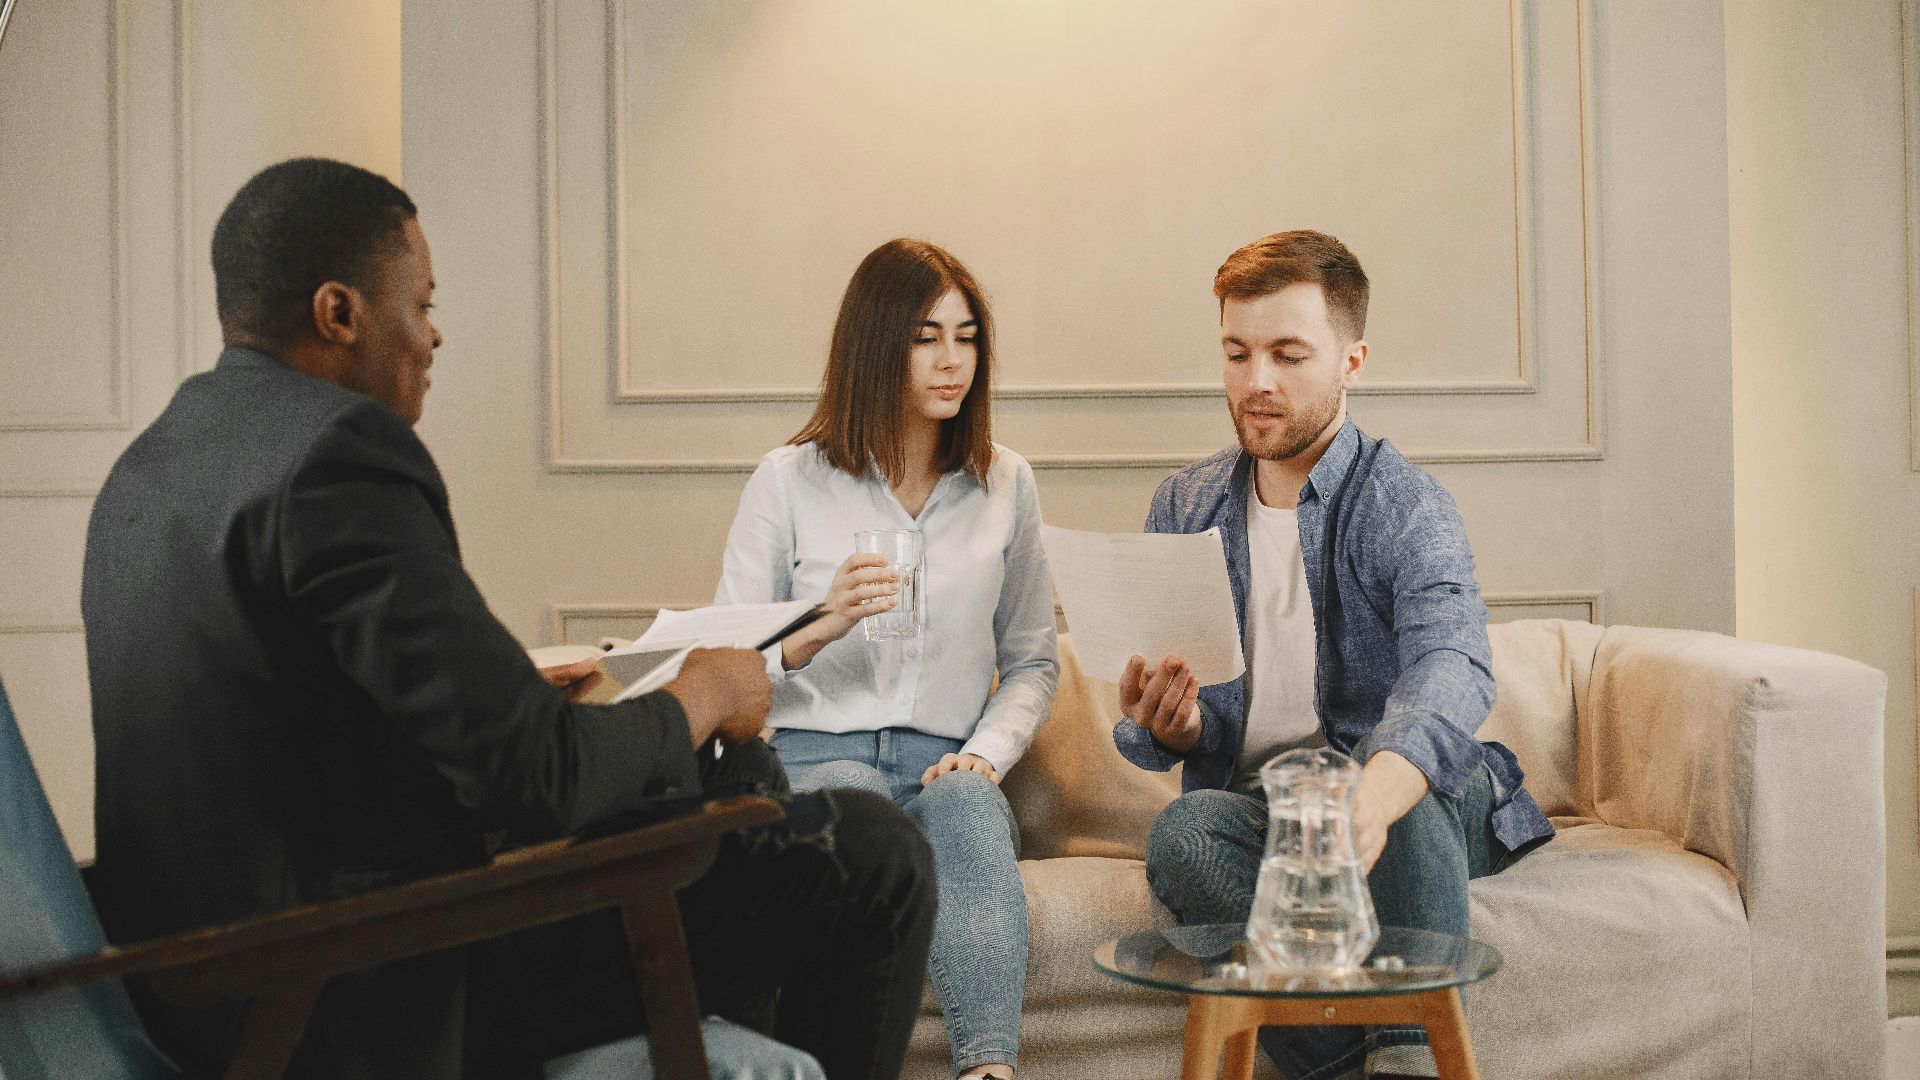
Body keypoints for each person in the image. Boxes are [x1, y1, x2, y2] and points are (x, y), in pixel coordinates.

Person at [81, 157, 934, 1080]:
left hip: (222, 985)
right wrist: (706, 686)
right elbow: (542, 779)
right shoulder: (338, 457)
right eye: (422, 306)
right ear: (339, 313)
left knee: (733, 802)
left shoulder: (154, 465)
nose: (433, 339)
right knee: (874, 852)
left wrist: (504, 696)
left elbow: (280, 732)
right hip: (351, 992)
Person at [1113, 230, 1553, 1080]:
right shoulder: (1184, 502)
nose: (1256, 382)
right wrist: (1174, 726)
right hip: (1270, 816)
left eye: (1288, 354)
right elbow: (1163, 726)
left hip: (1408, 805)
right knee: (1183, 833)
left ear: (1352, 359)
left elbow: (1453, 663)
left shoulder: (1405, 505)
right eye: (1237, 354)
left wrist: (1379, 789)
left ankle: (1406, 1059)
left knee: (1408, 775)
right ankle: (1355, 1060)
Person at [714, 238, 1058, 1080]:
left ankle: (989, 1071)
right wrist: (818, 625)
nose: (953, 361)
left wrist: (983, 757)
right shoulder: (789, 480)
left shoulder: (1004, 482)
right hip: (811, 753)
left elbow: (1032, 660)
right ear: (874, 346)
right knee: (858, 808)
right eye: (925, 337)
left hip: (944, 759)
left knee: (975, 817)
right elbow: (720, 665)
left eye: (967, 336)